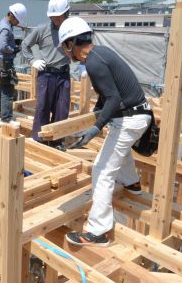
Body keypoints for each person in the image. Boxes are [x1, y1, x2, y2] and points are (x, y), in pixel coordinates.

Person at [58, 17, 151, 247]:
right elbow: (109, 92)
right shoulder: (101, 53)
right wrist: (99, 111)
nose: (66, 53)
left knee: (101, 171)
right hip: (139, 115)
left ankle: (98, 232)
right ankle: (132, 184)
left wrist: (95, 128)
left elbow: (114, 98)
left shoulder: (93, 63)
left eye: (65, 47)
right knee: (119, 146)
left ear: (71, 44)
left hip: (130, 119)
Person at [21, 0, 71, 148]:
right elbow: (25, 44)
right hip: (46, 75)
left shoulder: (71, 29)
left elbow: (83, 45)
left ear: (66, 13)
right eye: (53, 16)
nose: (55, 19)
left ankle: (57, 140)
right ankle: (40, 140)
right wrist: (33, 60)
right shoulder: (42, 29)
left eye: (58, 16)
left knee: (61, 109)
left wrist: (83, 65)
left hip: (64, 74)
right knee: (43, 107)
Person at [0, 3, 27, 123]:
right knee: (7, 89)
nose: (18, 23)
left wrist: (12, 43)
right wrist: (14, 49)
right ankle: (6, 119)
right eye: (17, 20)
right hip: (6, 62)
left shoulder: (3, 23)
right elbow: (3, 46)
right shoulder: (6, 28)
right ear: (12, 15)